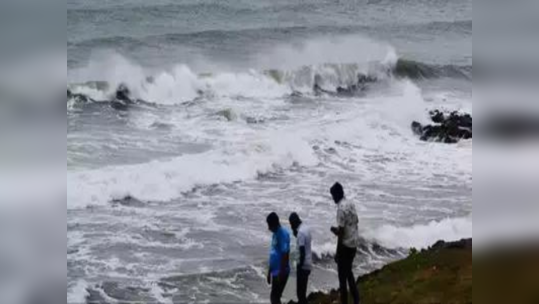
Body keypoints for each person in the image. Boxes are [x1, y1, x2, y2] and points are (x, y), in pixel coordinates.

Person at [330, 182, 360, 304]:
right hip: (354, 243)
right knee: (348, 273)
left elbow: (341, 233)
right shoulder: (351, 203)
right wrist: (339, 230)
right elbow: (355, 221)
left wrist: (337, 252)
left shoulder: (340, 209)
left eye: (332, 195)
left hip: (345, 246)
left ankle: (345, 301)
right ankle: (356, 299)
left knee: (342, 278)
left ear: (337, 195)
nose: (332, 198)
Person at [267, 212, 291, 304]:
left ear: (274, 224)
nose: (268, 228)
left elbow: (285, 254)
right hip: (275, 271)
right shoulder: (275, 234)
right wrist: (269, 272)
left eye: (269, 225)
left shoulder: (283, 234)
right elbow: (273, 253)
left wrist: (281, 272)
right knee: (275, 296)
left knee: (275, 297)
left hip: (281, 271)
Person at [289, 213, 312, 304]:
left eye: (291, 224)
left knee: (300, 293)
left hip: (303, 265)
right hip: (309, 263)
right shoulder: (305, 228)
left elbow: (302, 252)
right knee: (303, 291)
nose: (290, 226)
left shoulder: (301, 233)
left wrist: (299, 266)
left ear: (294, 223)